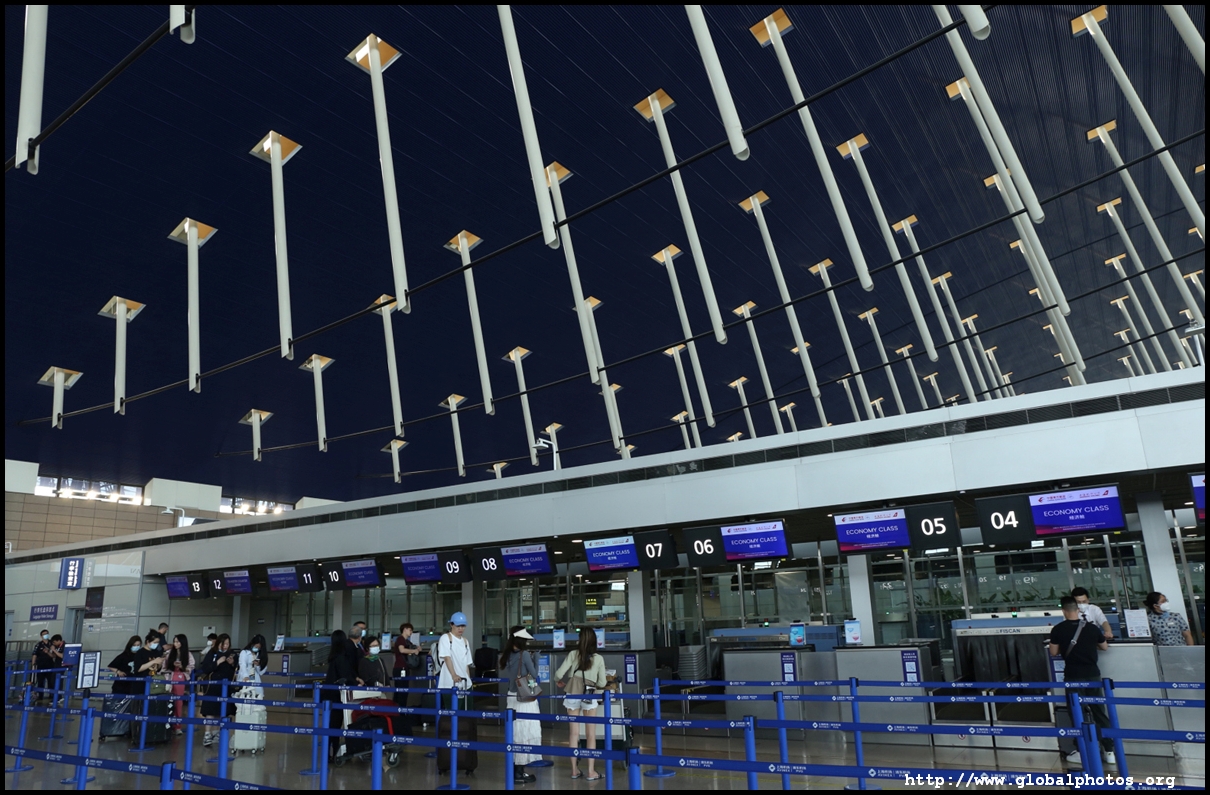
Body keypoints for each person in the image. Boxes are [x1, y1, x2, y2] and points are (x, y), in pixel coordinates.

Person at [1048, 596, 1115, 768]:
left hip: (1073, 676)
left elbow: (1053, 652)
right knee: (1099, 711)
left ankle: (1082, 750)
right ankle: (1109, 751)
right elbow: (1104, 646)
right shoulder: (1092, 628)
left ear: (1064, 611)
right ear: (1078, 610)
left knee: (1077, 712)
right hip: (1092, 675)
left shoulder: (1058, 629)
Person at [555, 629, 609, 781]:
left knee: (574, 733)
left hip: (572, 691)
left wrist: (558, 681)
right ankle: (591, 772)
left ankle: (574, 770)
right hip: (589, 694)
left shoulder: (573, 654)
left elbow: (558, 674)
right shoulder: (598, 658)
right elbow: (602, 682)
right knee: (591, 734)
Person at [499, 627, 541, 784]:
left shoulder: (507, 654)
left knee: (515, 734)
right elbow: (534, 675)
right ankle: (519, 772)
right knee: (525, 734)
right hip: (524, 698)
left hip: (511, 696)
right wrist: (537, 658)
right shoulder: (525, 655)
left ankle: (514, 769)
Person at [322, 629, 361, 761]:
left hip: (329, 694)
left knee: (330, 725)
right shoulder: (341, 657)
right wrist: (356, 682)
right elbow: (345, 674)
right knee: (335, 725)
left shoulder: (333, 656)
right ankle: (333, 753)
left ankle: (329, 753)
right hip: (336, 696)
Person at [199, 634, 237, 747]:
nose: (225, 646)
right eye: (223, 644)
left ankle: (217, 734)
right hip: (212, 686)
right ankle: (207, 734)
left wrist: (232, 664)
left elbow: (236, 670)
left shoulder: (232, 654)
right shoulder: (212, 653)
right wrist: (217, 662)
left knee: (222, 711)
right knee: (210, 711)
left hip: (226, 687)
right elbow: (205, 668)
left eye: (227, 644)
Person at [164, 634, 195, 735]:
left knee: (178, 703)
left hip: (180, 676)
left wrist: (182, 666)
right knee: (167, 701)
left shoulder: (188, 654)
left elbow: (191, 667)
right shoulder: (169, 653)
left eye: (177, 642)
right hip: (168, 676)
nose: (175, 644)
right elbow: (164, 667)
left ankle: (177, 726)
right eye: (174, 641)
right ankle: (166, 725)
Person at [437, 613, 473, 696]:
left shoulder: (465, 641)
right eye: (458, 626)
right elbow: (447, 658)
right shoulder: (445, 638)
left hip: (465, 684)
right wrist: (454, 675)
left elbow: (466, 664)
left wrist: (468, 681)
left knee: (466, 704)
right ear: (451, 625)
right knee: (451, 704)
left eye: (463, 626)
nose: (460, 628)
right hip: (449, 683)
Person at [392, 623, 422, 708]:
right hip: (400, 668)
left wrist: (418, 648)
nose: (411, 632)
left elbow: (412, 647)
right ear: (405, 629)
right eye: (410, 630)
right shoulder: (401, 639)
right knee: (402, 691)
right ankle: (400, 710)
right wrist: (414, 651)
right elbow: (402, 650)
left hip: (403, 668)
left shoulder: (406, 641)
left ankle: (398, 710)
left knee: (401, 691)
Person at [33, 632, 64, 703]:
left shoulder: (55, 645)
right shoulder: (38, 645)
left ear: (58, 640)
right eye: (44, 634)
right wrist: (47, 652)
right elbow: (35, 654)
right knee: (41, 682)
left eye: (47, 633)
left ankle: (54, 697)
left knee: (52, 682)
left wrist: (53, 650)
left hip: (52, 666)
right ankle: (41, 696)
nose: (46, 635)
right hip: (41, 665)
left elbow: (61, 655)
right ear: (41, 636)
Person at [236, 635, 268, 699]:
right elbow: (242, 665)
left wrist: (258, 665)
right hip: (244, 680)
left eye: (259, 647)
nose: (257, 648)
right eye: (256, 646)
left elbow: (261, 672)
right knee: (244, 698)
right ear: (252, 644)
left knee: (256, 699)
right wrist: (245, 676)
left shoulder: (260, 655)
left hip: (255, 680)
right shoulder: (244, 652)